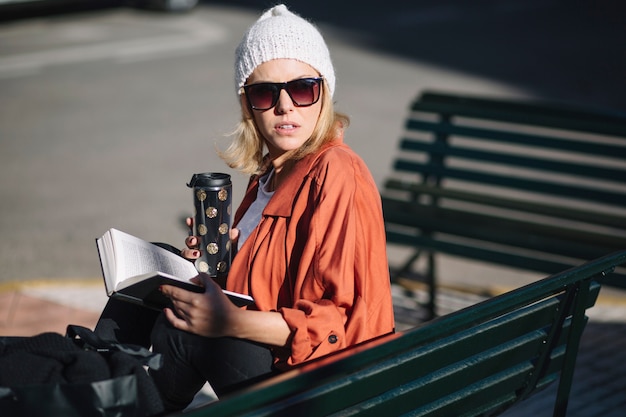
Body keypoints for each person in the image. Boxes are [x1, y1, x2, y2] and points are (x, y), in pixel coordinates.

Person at [95, 4, 394, 412]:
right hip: (283, 366)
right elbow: (265, 286)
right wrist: (215, 266)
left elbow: (337, 325)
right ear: (248, 104)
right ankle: (91, 383)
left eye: (303, 88)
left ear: (324, 93)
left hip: (330, 389)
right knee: (148, 276)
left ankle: (105, 398)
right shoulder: (267, 177)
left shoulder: (336, 172)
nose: (285, 105)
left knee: (186, 331)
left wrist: (228, 322)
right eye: (265, 92)